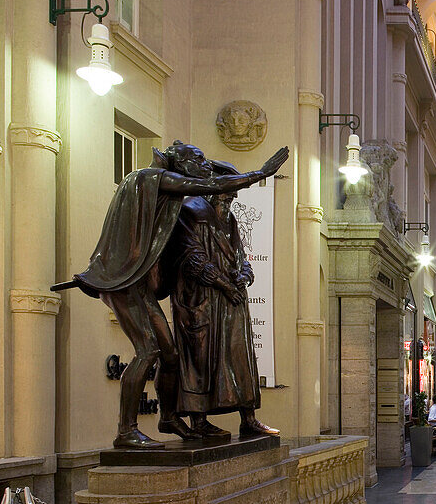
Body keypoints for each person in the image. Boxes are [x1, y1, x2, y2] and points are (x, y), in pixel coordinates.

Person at [57, 141, 288, 449]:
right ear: (177, 164)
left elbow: (227, 247)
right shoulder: (149, 178)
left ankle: (168, 417)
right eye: (198, 159)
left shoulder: (175, 194)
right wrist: (261, 173)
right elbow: (204, 193)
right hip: (126, 281)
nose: (204, 165)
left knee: (171, 355)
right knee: (149, 351)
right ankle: (126, 430)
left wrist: (239, 275)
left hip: (141, 281)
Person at [166, 172, 278, 439]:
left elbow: (241, 255)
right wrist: (225, 285)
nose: (230, 200)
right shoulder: (191, 212)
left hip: (232, 302)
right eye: (228, 195)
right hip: (202, 301)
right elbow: (192, 259)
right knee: (200, 359)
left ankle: (248, 418)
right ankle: (199, 421)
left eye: (232, 196)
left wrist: (244, 275)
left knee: (241, 358)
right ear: (214, 191)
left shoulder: (229, 219)